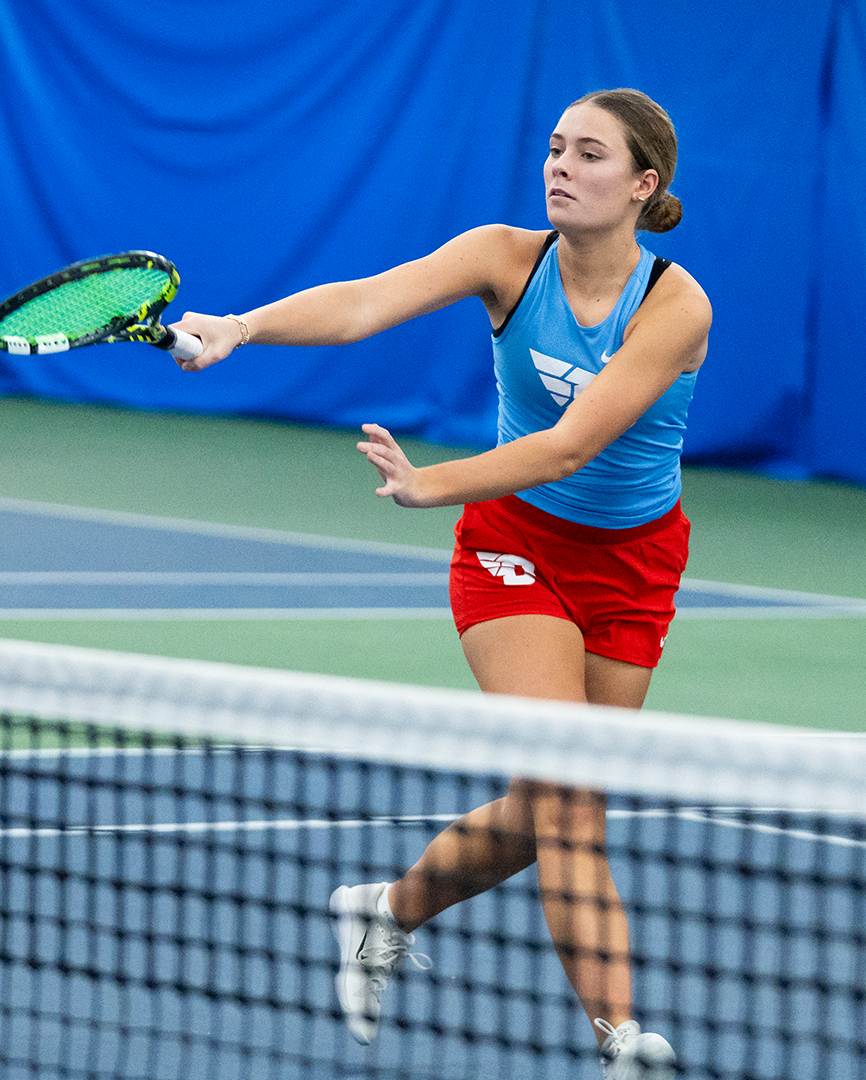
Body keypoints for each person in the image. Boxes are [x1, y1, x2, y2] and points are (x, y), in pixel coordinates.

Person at [168, 89, 707, 1079]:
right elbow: (366, 302)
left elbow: (571, 444)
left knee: (547, 805)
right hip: (515, 547)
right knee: (571, 801)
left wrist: (432, 481)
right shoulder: (507, 257)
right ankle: (625, 1042)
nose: (559, 166)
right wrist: (240, 327)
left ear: (643, 185)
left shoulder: (675, 304)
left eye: (588, 155)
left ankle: (387, 909)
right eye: (553, 147)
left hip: (635, 567)